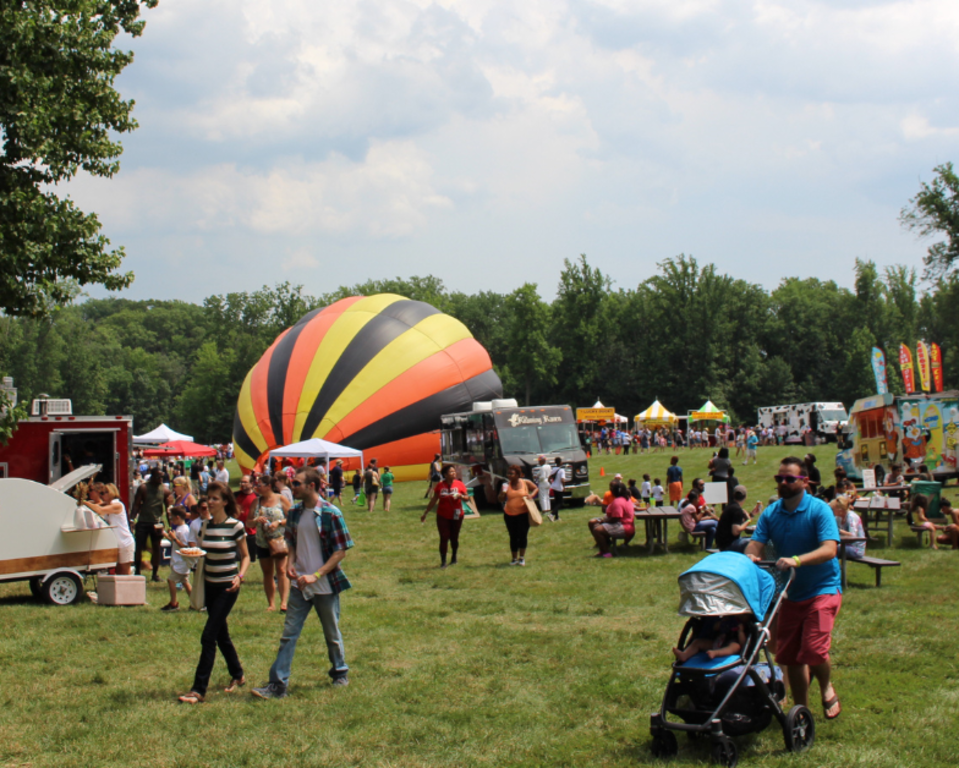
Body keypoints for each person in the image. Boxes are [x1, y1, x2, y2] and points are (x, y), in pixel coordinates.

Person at [745, 456, 842, 721]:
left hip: (823, 588)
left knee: (812, 650)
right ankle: (803, 713)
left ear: (805, 481)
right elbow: (756, 542)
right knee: (790, 656)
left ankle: (825, 686)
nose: (783, 483)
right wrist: (751, 556)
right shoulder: (772, 513)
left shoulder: (819, 510)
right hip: (791, 593)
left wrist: (797, 560)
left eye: (790, 479)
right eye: (779, 479)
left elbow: (829, 549)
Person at [253, 468, 354, 699]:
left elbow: (340, 552)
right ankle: (278, 685)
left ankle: (339, 672)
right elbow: (290, 540)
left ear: (312, 486)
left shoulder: (331, 513)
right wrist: (291, 562)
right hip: (299, 584)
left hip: (324, 585)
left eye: (296, 484)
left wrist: (316, 575)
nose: (292, 487)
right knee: (289, 634)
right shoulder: (296, 511)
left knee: (332, 632)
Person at [178, 481, 250, 704]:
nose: (210, 502)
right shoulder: (205, 527)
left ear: (225, 502)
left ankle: (198, 689)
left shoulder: (235, 526)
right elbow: (202, 554)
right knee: (221, 634)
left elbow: (245, 556)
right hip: (209, 585)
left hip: (228, 587)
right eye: (209, 498)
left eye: (215, 498)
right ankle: (238, 675)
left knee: (208, 635)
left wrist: (240, 577)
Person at [253, 473, 291, 612]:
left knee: (281, 570)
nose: (257, 487)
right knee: (267, 573)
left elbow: (293, 518)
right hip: (262, 541)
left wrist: (278, 522)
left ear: (269, 486)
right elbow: (248, 522)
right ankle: (271, 603)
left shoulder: (281, 499)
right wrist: (256, 520)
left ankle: (284, 602)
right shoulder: (256, 502)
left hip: (279, 540)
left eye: (259, 485)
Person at [421, 465, 468, 568]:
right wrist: (426, 512)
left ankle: (454, 557)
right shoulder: (440, 486)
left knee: (454, 537)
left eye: (454, 471)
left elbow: (467, 497)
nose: (454, 473)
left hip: (457, 515)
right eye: (451, 472)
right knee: (444, 537)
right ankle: (443, 561)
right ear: (445, 475)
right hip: (443, 515)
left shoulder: (460, 484)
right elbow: (434, 499)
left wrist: (461, 496)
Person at [130, 467, 172, 581]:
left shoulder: (165, 490)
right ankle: (137, 571)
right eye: (158, 476)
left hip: (157, 523)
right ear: (152, 476)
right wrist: (132, 519)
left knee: (156, 548)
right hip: (143, 521)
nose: (160, 479)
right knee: (139, 548)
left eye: (162, 477)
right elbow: (136, 505)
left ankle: (155, 574)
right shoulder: (143, 488)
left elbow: (168, 508)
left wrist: (170, 524)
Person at [85, 482, 135, 575]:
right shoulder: (109, 504)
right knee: (118, 571)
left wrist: (83, 502)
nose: (102, 496)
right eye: (101, 493)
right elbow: (97, 505)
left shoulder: (117, 505)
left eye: (104, 493)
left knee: (124, 571)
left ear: (111, 493)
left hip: (125, 542)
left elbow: (99, 509)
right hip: (118, 543)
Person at [498, 466, 538, 566]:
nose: (509, 476)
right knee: (513, 536)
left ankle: (521, 558)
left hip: (523, 514)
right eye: (508, 473)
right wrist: (503, 493)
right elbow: (500, 499)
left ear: (517, 475)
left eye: (511, 473)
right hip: (509, 514)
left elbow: (536, 488)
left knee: (523, 535)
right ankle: (514, 558)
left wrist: (531, 495)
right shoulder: (506, 485)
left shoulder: (525, 482)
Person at [588, 480, 635, 557]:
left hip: (623, 526)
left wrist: (603, 522)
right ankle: (603, 549)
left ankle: (606, 553)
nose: (611, 490)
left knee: (597, 530)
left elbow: (616, 518)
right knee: (595, 525)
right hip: (627, 525)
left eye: (612, 489)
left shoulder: (618, 501)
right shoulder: (626, 498)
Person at [672, 615, 746, 663]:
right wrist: (722, 624)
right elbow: (715, 627)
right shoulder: (728, 619)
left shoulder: (745, 625)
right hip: (719, 641)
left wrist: (741, 632)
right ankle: (684, 655)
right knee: (698, 642)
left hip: (733, 644)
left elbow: (743, 645)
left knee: (735, 646)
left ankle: (715, 653)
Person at [161, 507, 193, 612]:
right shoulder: (180, 528)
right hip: (179, 562)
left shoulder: (184, 530)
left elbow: (184, 546)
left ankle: (173, 603)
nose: (171, 519)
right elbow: (175, 542)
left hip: (181, 562)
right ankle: (196, 602)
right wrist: (166, 535)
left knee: (171, 580)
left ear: (178, 517)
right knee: (185, 581)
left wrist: (174, 538)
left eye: (172, 517)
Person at [716, 485, 760, 553]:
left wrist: (752, 515)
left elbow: (738, 523)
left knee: (751, 539)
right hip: (728, 546)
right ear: (745, 496)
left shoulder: (731, 506)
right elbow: (736, 531)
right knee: (755, 542)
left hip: (722, 544)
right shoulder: (737, 510)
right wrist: (749, 521)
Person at [234, 474, 259, 563]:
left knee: (248, 557)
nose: (242, 484)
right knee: (236, 557)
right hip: (236, 531)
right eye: (241, 482)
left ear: (251, 484)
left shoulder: (257, 497)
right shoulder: (235, 496)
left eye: (245, 482)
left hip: (251, 532)